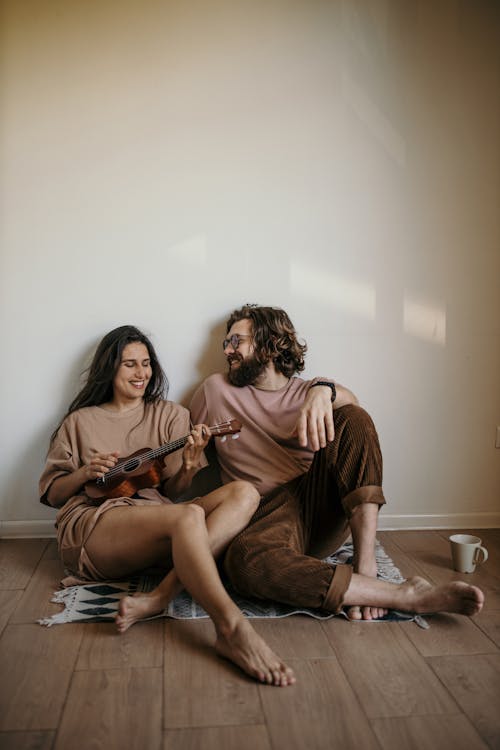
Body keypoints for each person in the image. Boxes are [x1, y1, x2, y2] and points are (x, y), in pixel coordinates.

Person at [190, 305, 484, 620]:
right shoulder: (214, 390)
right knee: (244, 563)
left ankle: (365, 564)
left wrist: (323, 391)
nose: (227, 350)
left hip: (315, 506)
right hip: (260, 519)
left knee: (353, 417)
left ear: (269, 343)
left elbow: (354, 418)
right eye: (225, 343)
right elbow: (179, 441)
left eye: (236, 341)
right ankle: (403, 594)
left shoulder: (309, 390)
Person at [39, 325, 295, 687]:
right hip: (96, 524)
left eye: (146, 363)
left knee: (245, 493)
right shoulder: (79, 421)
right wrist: (83, 472)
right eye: (129, 364)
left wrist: (190, 464)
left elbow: (174, 492)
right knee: (188, 515)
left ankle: (160, 596)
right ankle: (231, 627)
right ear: (109, 368)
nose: (141, 372)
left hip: (153, 517)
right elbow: (53, 495)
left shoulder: (171, 416)